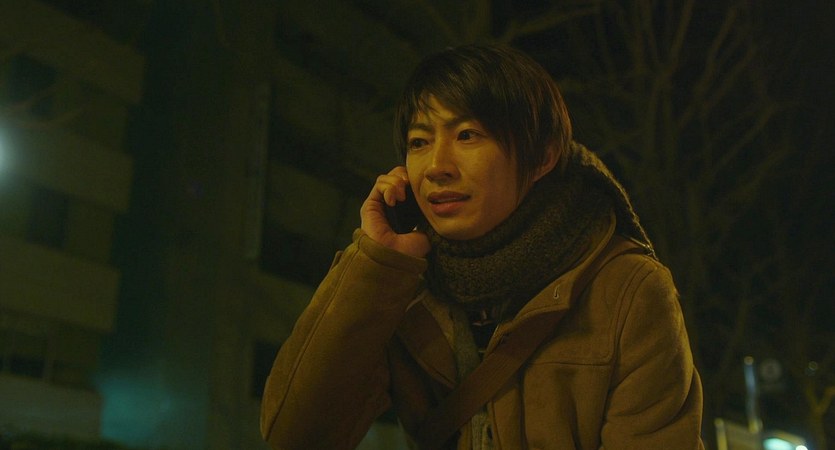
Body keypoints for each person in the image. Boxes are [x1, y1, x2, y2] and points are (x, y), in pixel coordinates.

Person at [260, 44, 705, 449]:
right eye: (419, 142)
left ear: (543, 157)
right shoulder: (402, 286)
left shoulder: (626, 288)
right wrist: (374, 262)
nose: (436, 166)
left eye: (467, 135)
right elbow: (293, 437)